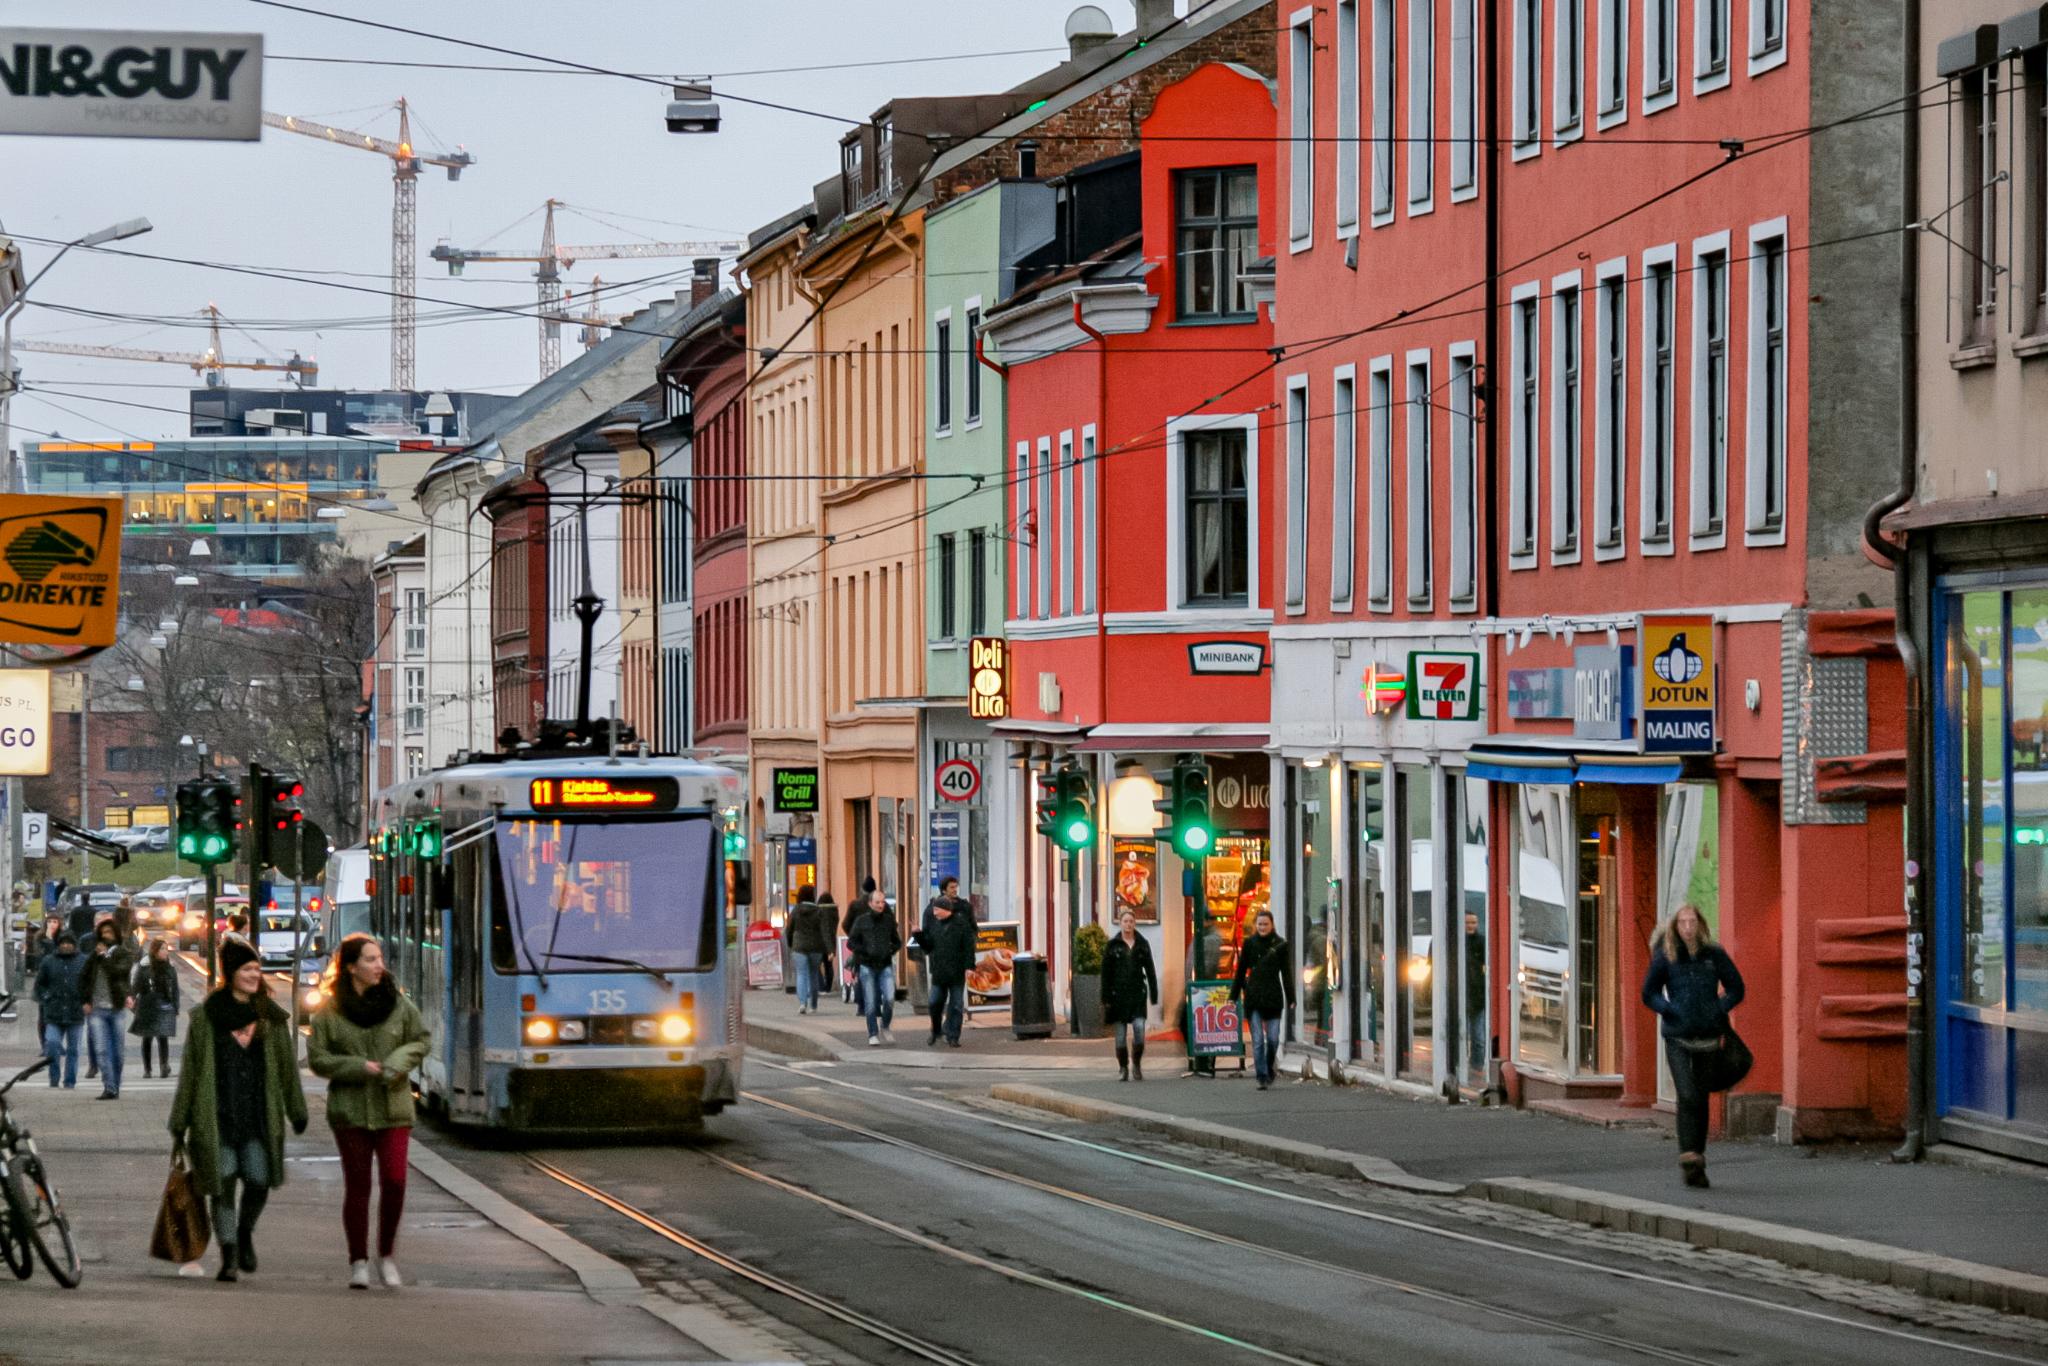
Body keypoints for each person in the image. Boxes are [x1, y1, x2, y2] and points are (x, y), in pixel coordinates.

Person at [169, 938, 307, 1282]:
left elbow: (288, 1069)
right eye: (247, 969)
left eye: (257, 969)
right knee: (223, 1183)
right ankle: (228, 1252)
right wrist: (179, 1119)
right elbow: (191, 1070)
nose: (255, 975)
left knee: (259, 1180)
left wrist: (296, 1110)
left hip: (259, 1117)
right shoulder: (206, 1018)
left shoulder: (271, 1018)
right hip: (217, 1117)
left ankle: (245, 1232)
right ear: (231, 973)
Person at [309, 935, 430, 1290]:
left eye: (380, 959)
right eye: (371, 960)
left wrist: (396, 1063)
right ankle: (358, 1260)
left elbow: (421, 1040)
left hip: (393, 1107)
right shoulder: (329, 1011)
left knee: (394, 1180)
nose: (380, 966)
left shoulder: (399, 1005)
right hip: (350, 1111)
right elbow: (318, 1058)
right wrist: (358, 1067)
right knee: (358, 1186)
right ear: (351, 967)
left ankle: (387, 1255)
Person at [1641, 903, 1745, 1189]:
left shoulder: (1714, 955)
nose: (1688, 927)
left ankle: (1697, 1157)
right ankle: (1688, 1155)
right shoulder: (1666, 956)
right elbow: (1648, 993)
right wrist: (1668, 1009)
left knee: (1700, 1098)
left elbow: (1737, 988)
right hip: (1677, 1036)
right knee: (1686, 1095)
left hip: (1709, 1037)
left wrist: (1719, 1008)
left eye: (1692, 922)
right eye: (1683, 922)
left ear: (1700, 925)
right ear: (1676, 926)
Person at [1231, 910, 1295, 1090]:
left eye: (1265, 924)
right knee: (1258, 1040)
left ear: (1272, 925)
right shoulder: (1249, 944)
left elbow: (1287, 973)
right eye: (1259, 924)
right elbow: (1241, 971)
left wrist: (1291, 998)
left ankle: (1268, 1067)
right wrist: (1233, 996)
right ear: (1255, 925)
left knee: (1273, 1039)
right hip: (1254, 997)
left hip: (1274, 997)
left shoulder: (1281, 945)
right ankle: (1261, 1076)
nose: (1262, 927)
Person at [79, 918, 137, 1099]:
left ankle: (115, 1084)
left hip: (116, 1008)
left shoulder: (123, 954)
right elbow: (82, 977)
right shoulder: (94, 956)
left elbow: (119, 972)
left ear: (116, 935)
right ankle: (109, 1087)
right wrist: (85, 1000)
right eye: (103, 933)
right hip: (97, 1009)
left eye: (109, 933)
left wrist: (105, 956)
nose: (106, 936)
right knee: (102, 1050)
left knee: (118, 1052)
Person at [1101, 909, 1159, 1081]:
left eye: (1131, 921)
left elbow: (1150, 969)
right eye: (1125, 921)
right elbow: (1106, 973)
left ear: (1134, 923)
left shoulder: (1142, 944)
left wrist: (1153, 994)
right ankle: (1123, 1067)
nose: (1128, 924)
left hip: (1137, 994)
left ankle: (1137, 1065)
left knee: (1139, 1029)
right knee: (1120, 1035)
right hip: (1118, 995)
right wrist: (1106, 998)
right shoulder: (1113, 946)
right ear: (1120, 923)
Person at [913, 892, 976, 1048]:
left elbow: (969, 947)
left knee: (955, 1005)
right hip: (939, 971)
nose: (934, 914)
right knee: (934, 1003)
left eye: (936, 910)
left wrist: (969, 966)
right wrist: (918, 935)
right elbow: (928, 946)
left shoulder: (961, 924)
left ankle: (953, 1036)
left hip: (956, 970)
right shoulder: (934, 925)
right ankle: (936, 1030)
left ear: (945, 909)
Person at [33, 931, 86, 1088]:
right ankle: (54, 1077)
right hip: (54, 1012)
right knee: (52, 1044)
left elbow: (90, 983)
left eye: (69, 944)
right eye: (63, 943)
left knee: (73, 1050)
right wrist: (47, 997)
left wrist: (85, 999)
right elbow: (39, 983)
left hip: (75, 1012)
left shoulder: (83, 961)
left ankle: (70, 1080)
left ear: (74, 945)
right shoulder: (49, 961)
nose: (66, 946)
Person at [848, 892, 901, 1046]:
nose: (880, 905)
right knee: (870, 1002)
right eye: (877, 902)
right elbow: (851, 942)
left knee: (890, 998)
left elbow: (896, 941)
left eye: (883, 902)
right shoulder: (861, 921)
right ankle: (873, 1033)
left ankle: (885, 1026)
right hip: (867, 966)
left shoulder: (888, 920)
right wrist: (864, 951)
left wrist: (889, 951)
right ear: (870, 903)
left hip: (885, 965)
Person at [131, 936, 181, 1079]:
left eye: (167, 949)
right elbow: (137, 986)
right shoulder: (145, 966)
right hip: (147, 1005)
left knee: (163, 1037)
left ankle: (164, 1067)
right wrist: (131, 999)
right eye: (163, 949)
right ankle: (148, 1069)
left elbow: (175, 988)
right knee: (147, 1037)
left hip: (165, 1004)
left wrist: (176, 1007)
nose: (166, 952)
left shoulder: (170, 967)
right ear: (156, 951)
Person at [785, 885, 829, 1015]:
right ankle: (814, 1005)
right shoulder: (819, 911)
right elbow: (824, 931)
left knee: (801, 974)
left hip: (799, 947)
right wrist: (830, 948)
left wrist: (790, 943)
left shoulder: (796, 911)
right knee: (814, 975)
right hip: (816, 947)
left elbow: (790, 930)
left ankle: (802, 1003)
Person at [839, 891, 867, 1008]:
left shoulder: (855, 904)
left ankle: (861, 1004)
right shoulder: (882, 905)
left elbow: (845, 924)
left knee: (860, 972)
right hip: (876, 946)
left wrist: (852, 937)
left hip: (860, 945)